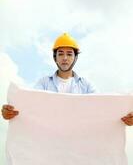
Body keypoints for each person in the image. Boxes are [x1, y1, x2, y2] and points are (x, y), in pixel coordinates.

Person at [1, 32, 133, 125]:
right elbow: (30, 106)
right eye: (61, 54)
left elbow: (100, 110)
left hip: (77, 147)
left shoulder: (86, 86)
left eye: (69, 54)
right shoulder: (44, 83)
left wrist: (122, 117)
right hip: (50, 144)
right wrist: (11, 111)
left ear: (75, 57)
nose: (65, 58)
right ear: (55, 57)